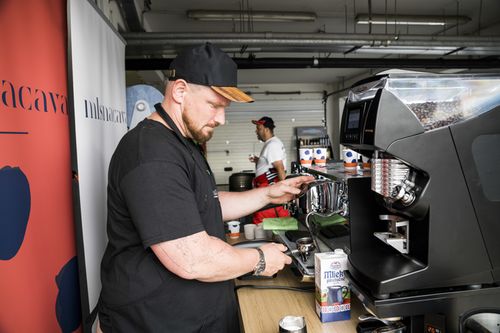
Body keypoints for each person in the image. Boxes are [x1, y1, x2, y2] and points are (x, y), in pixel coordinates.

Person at [97, 43, 313, 333]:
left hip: (190, 314)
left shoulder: (182, 143)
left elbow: (203, 203)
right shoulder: (150, 152)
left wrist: (268, 194)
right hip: (152, 320)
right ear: (180, 91)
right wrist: (260, 259)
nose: (222, 119)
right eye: (214, 105)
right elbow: (192, 258)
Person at [249, 116, 291, 224]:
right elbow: (270, 164)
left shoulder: (272, 145)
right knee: (268, 219)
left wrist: (283, 190)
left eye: (259, 128)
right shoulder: (271, 143)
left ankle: (269, 239)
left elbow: (280, 167)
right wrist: (259, 160)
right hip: (267, 185)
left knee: (266, 218)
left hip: (270, 185)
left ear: (266, 129)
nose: (256, 131)